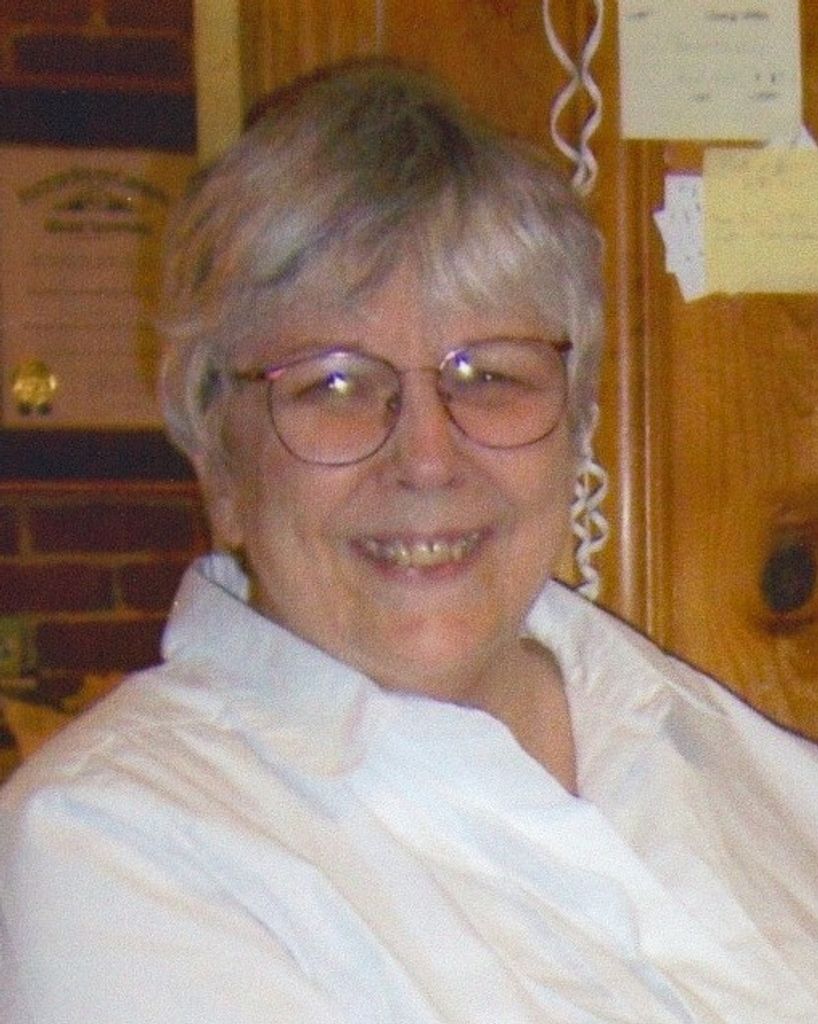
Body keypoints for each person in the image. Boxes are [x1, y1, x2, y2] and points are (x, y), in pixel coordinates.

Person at [1, 59, 816, 1024]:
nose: (427, 458)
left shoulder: (702, 738)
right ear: (220, 463)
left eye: (491, 376)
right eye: (335, 386)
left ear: (577, 427)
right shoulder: (111, 845)